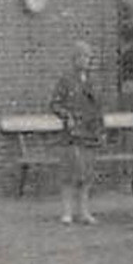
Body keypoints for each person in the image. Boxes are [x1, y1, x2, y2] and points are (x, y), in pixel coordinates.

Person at [48, 41, 106, 225]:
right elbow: (55, 104)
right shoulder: (65, 80)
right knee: (70, 172)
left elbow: (98, 107)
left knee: (87, 174)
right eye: (81, 57)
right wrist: (67, 115)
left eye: (88, 57)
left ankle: (84, 211)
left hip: (90, 132)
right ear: (74, 59)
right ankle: (67, 212)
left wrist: (101, 129)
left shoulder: (93, 81)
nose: (85, 61)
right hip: (72, 134)